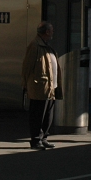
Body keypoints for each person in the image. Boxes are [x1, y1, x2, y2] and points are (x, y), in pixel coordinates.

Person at [21, 21, 61, 150]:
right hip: (40, 87)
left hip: (50, 87)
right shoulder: (35, 46)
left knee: (48, 115)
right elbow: (27, 67)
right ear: (47, 32)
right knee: (38, 115)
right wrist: (25, 84)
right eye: (51, 30)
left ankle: (44, 137)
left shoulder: (46, 45)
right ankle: (36, 139)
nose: (53, 32)